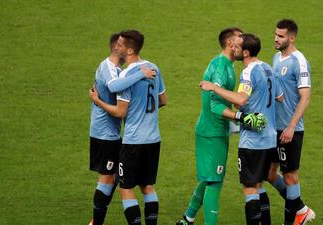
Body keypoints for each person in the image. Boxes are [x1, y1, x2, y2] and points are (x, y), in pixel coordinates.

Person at [176, 28, 268, 225]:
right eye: (239, 38)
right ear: (230, 44)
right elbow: (215, 105)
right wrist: (242, 117)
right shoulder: (220, 67)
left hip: (217, 130)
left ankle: (187, 218)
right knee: (214, 182)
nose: (242, 42)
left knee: (209, 177)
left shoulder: (228, 66)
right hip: (211, 132)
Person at [199, 33, 281, 225]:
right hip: (270, 137)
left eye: (237, 47)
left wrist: (214, 87)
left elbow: (241, 99)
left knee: (249, 189)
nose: (232, 49)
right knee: (259, 185)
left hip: (253, 140)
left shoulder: (248, 72)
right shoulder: (267, 67)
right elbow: (280, 97)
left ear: (245, 52)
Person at [89, 29, 166, 225]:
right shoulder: (153, 68)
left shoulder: (125, 75)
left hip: (133, 141)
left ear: (130, 50)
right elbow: (163, 100)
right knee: (148, 187)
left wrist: (97, 100)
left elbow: (120, 112)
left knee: (126, 188)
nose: (117, 47)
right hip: (154, 139)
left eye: (121, 45)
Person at [266, 19, 315, 225]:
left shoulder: (299, 61)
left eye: (281, 36)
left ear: (291, 38)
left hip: (290, 129)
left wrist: (292, 126)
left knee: (290, 175)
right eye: (275, 34)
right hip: (274, 127)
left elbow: (305, 97)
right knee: (269, 173)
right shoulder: (276, 58)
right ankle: (301, 209)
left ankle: (294, 220)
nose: (276, 39)